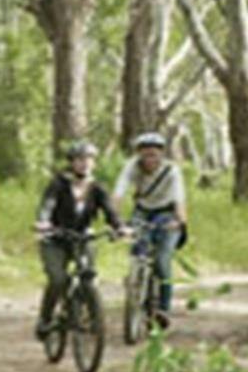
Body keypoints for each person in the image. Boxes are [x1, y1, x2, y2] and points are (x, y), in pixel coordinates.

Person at [32, 139, 119, 339]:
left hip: (82, 238)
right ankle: (45, 319)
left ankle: (88, 315)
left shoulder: (97, 188)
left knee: (88, 275)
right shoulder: (58, 184)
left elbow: (110, 211)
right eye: (80, 159)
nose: (84, 163)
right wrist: (43, 222)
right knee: (58, 279)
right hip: (55, 238)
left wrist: (119, 228)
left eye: (89, 159)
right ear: (71, 162)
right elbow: (47, 204)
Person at [110, 132, 188, 328]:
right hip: (143, 211)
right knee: (138, 251)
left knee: (162, 262)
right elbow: (118, 193)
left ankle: (163, 308)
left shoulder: (172, 170)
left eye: (154, 154)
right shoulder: (132, 166)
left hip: (167, 214)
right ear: (139, 154)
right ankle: (135, 283)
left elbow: (179, 198)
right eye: (145, 154)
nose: (150, 159)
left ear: (162, 154)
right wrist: (115, 220)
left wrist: (179, 221)